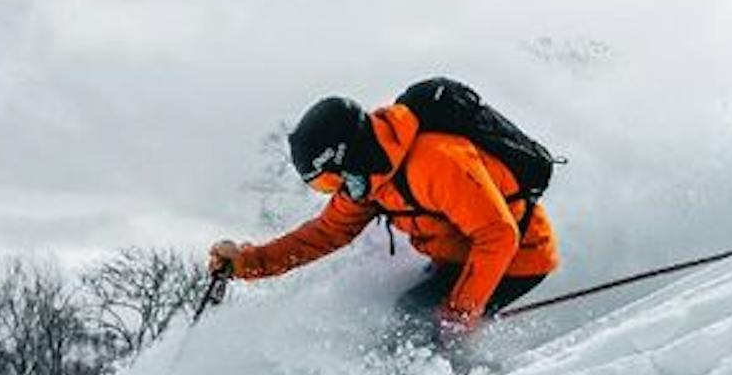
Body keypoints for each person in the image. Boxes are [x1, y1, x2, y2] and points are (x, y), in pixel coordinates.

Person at [207, 92, 560, 342]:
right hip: (459, 255)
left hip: (519, 256)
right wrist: (248, 262)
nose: (338, 190)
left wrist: (459, 315)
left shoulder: (436, 162)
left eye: (333, 178)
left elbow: (498, 235)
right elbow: (325, 233)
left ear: (348, 155)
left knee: (414, 319)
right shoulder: (371, 178)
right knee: (403, 316)